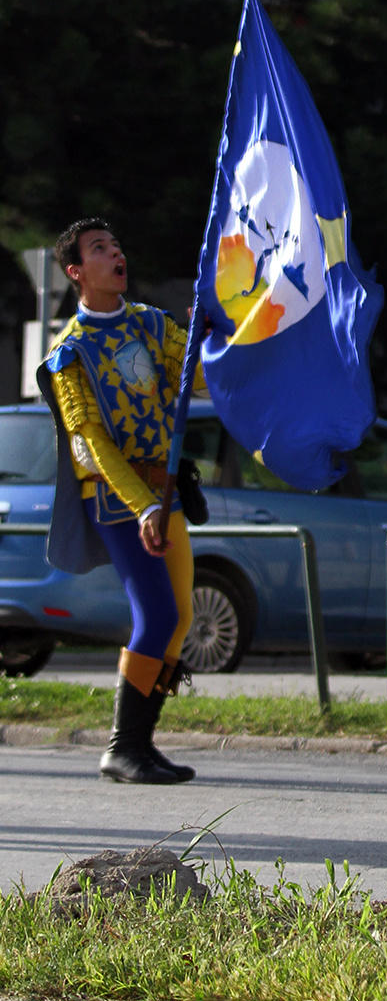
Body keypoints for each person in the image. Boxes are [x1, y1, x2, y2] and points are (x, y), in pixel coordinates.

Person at [39, 219, 202, 784]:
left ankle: (141, 743)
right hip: (117, 499)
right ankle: (122, 745)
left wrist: (218, 338)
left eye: (116, 243)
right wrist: (145, 508)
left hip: (164, 491)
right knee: (156, 615)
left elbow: (199, 379)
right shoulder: (70, 354)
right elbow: (91, 446)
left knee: (178, 621)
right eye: (100, 249)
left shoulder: (153, 325)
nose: (116, 253)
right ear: (76, 272)